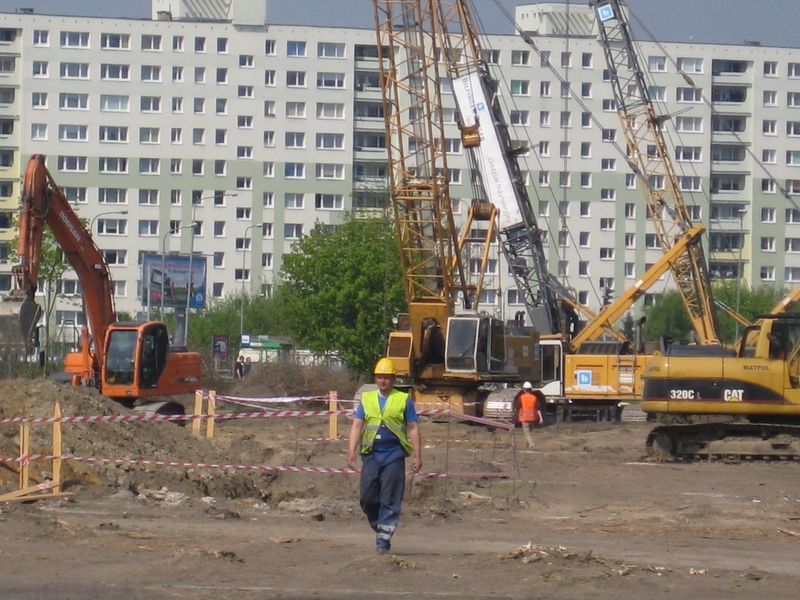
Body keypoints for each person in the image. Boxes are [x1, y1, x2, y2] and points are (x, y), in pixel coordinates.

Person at [348, 358, 422, 555]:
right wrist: (351, 450)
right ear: (375, 378)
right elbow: (357, 425)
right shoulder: (367, 398)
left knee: (390, 497)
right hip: (371, 453)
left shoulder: (403, 398)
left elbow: (413, 427)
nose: (383, 381)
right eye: (380, 377)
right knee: (367, 497)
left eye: (387, 378)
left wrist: (417, 455)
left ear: (393, 379)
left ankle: (383, 539)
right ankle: (380, 525)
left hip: (394, 454)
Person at [514, 381, 544, 448]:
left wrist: (513, 415)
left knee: (527, 434)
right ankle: (528, 446)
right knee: (529, 433)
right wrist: (541, 418)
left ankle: (532, 445)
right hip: (532, 418)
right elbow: (538, 409)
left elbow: (517, 407)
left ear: (524, 389)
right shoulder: (534, 398)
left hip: (524, 418)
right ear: (531, 389)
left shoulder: (521, 397)